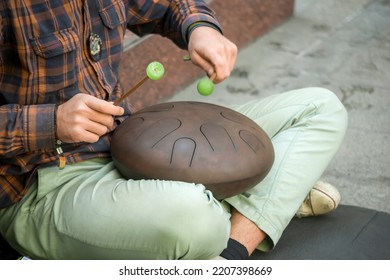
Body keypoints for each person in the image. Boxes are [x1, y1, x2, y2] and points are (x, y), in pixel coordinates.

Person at [0, 0, 347, 260]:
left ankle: (229, 248)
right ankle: (260, 203)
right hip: (42, 185)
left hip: (133, 141)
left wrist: (199, 28)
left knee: (321, 108)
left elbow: (170, 5)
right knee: (199, 219)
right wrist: (51, 123)